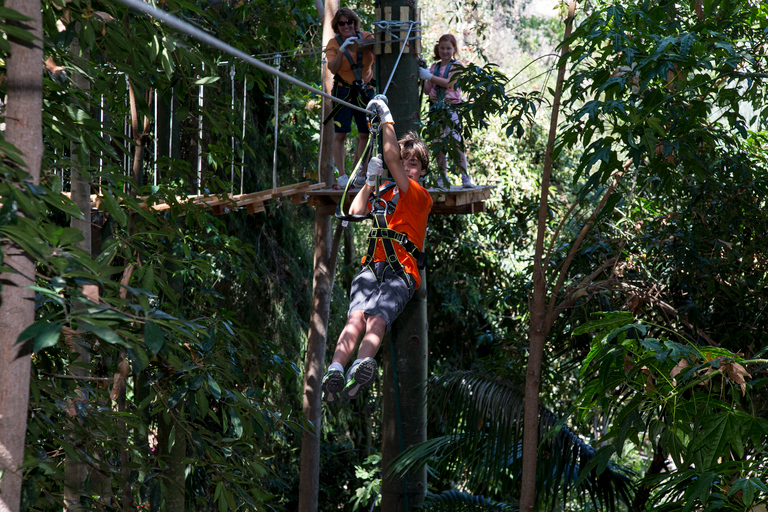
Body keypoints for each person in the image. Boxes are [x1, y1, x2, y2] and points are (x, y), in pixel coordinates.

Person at [321, 95, 433, 402]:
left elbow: (392, 159)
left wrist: (387, 118)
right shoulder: (386, 190)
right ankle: (335, 370)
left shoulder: (420, 196)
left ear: (421, 171)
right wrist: (370, 181)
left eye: (414, 165)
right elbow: (355, 211)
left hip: (402, 271)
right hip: (372, 265)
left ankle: (361, 365)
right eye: (406, 163)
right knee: (355, 318)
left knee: (377, 319)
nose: (408, 169)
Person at [325, 8, 376, 189]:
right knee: (341, 133)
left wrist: (364, 43)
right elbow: (333, 68)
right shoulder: (333, 43)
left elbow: (379, 54)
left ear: (355, 23)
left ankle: (361, 173)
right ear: (337, 26)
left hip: (365, 90)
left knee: (367, 133)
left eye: (350, 22)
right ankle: (342, 175)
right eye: (342, 23)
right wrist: (342, 50)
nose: (347, 26)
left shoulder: (367, 37)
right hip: (343, 91)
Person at [419, 34, 474, 188]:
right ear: (438, 48)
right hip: (435, 109)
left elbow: (450, 83)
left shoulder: (457, 66)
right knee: (438, 142)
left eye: (448, 48)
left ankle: (465, 176)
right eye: (442, 48)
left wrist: (428, 76)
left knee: (455, 141)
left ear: (454, 49)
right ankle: (443, 176)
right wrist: (423, 77)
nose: (445, 51)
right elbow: (427, 91)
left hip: (451, 108)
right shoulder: (434, 67)